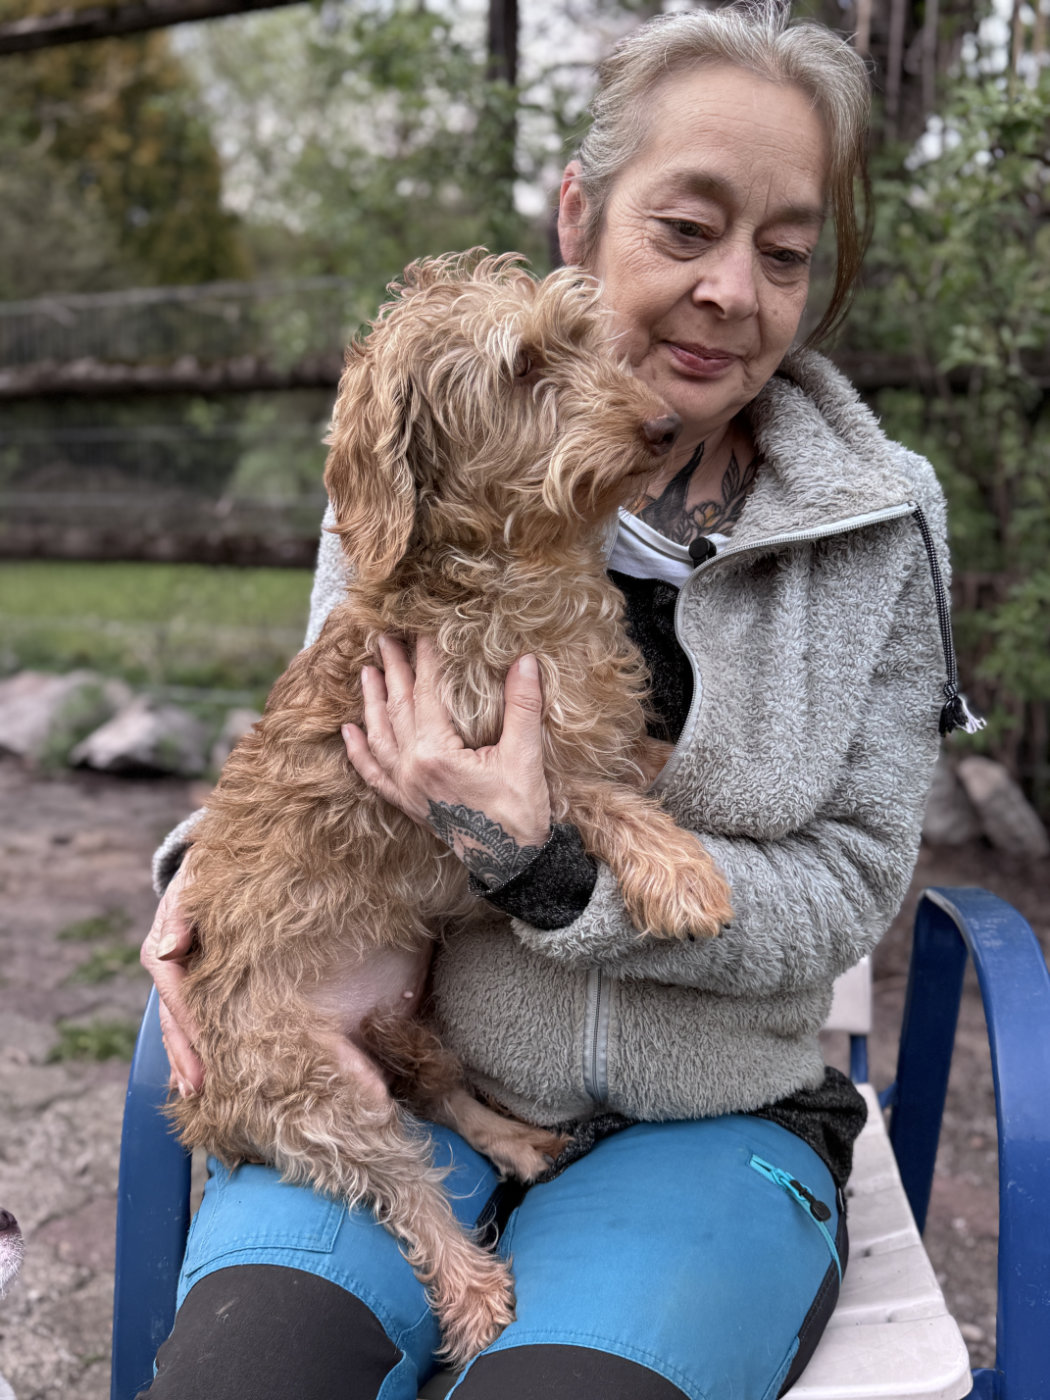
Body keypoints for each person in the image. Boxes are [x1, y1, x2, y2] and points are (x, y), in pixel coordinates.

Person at [139, 5, 977, 1397]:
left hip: (712, 1120)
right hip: (415, 1074)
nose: (732, 291)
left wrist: (552, 867)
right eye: (686, 228)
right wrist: (201, 889)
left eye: (784, 254)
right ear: (580, 216)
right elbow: (322, 742)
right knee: (246, 1376)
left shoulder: (882, 526)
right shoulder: (436, 459)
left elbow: (846, 888)